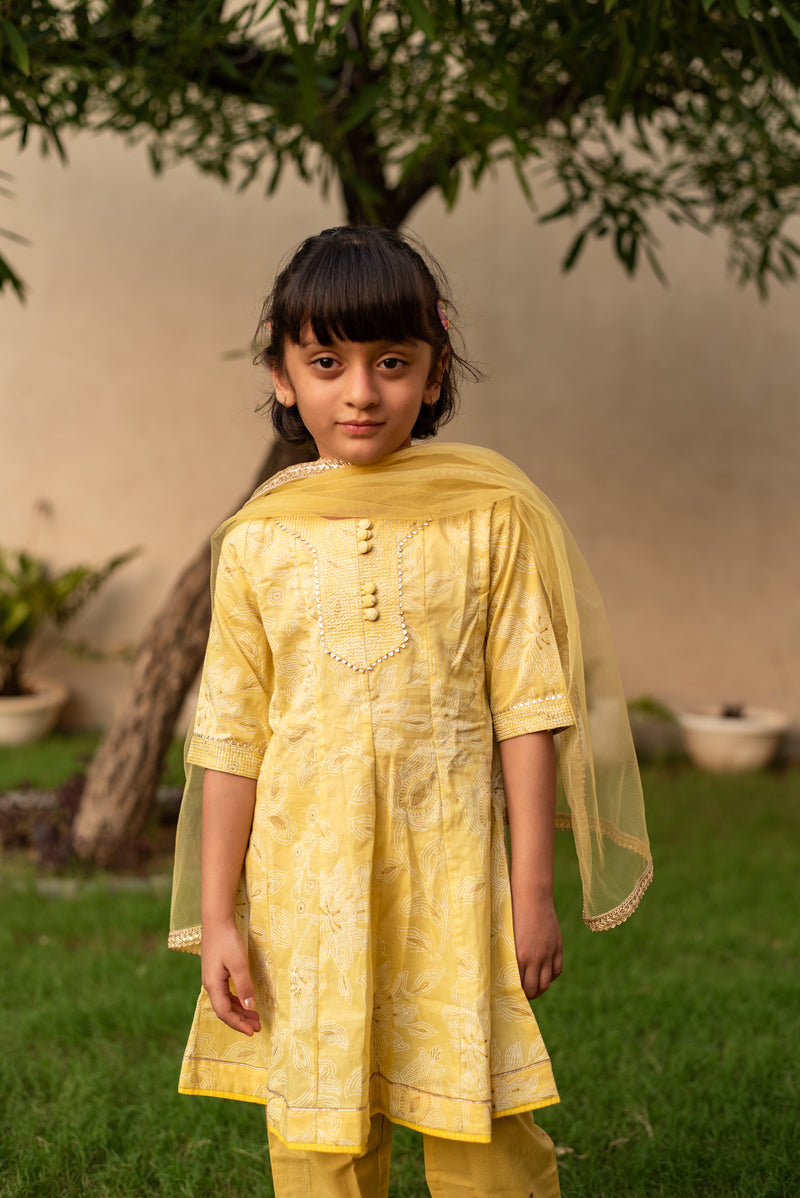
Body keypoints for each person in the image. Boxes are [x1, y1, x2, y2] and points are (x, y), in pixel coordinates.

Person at [169, 226, 652, 1197]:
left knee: (478, 1125)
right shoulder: (260, 542)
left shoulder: (488, 515)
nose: (359, 391)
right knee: (320, 1134)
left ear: (434, 374)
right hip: (304, 887)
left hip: (452, 879)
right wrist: (218, 914)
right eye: (326, 362)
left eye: (391, 362)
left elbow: (527, 706)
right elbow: (229, 734)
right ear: (279, 375)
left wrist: (531, 889)